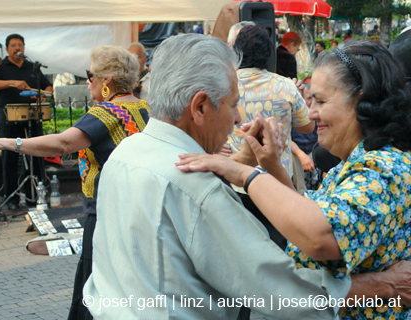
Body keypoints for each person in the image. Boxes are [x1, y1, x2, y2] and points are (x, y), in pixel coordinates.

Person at [80, 33, 411, 320]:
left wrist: (256, 169)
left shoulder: (127, 152)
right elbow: (275, 286)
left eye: (319, 100)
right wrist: (381, 286)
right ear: (199, 107)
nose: (239, 115)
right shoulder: (195, 183)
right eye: (233, 104)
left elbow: (312, 224)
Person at [176, 39, 411, 319]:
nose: (311, 113)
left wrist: (244, 173)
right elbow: (306, 217)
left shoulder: (382, 169)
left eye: (320, 101)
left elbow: (322, 237)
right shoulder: (356, 163)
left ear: (359, 101)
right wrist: (271, 164)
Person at [0, 45, 149, 320]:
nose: (88, 82)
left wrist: (8, 142)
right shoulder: (145, 107)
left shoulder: (106, 112)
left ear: (107, 80)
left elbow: (63, 143)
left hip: (107, 215)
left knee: (97, 291)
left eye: (90, 75)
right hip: (137, 211)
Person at [229, 25, 314, 180]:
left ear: (236, 51)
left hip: (237, 178)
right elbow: (308, 127)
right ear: (268, 53)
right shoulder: (286, 86)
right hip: (278, 179)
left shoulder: (226, 85)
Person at [0, 33, 53, 211]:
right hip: (9, 117)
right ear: (7, 49)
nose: (17, 48)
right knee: (10, 157)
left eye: (20, 45)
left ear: (24, 48)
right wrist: (12, 83)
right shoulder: (1, 65)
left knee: (36, 153)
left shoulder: (32, 67)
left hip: (32, 116)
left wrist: (43, 96)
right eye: (14, 45)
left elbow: (48, 86)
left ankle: (35, 195)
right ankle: (12, 199)